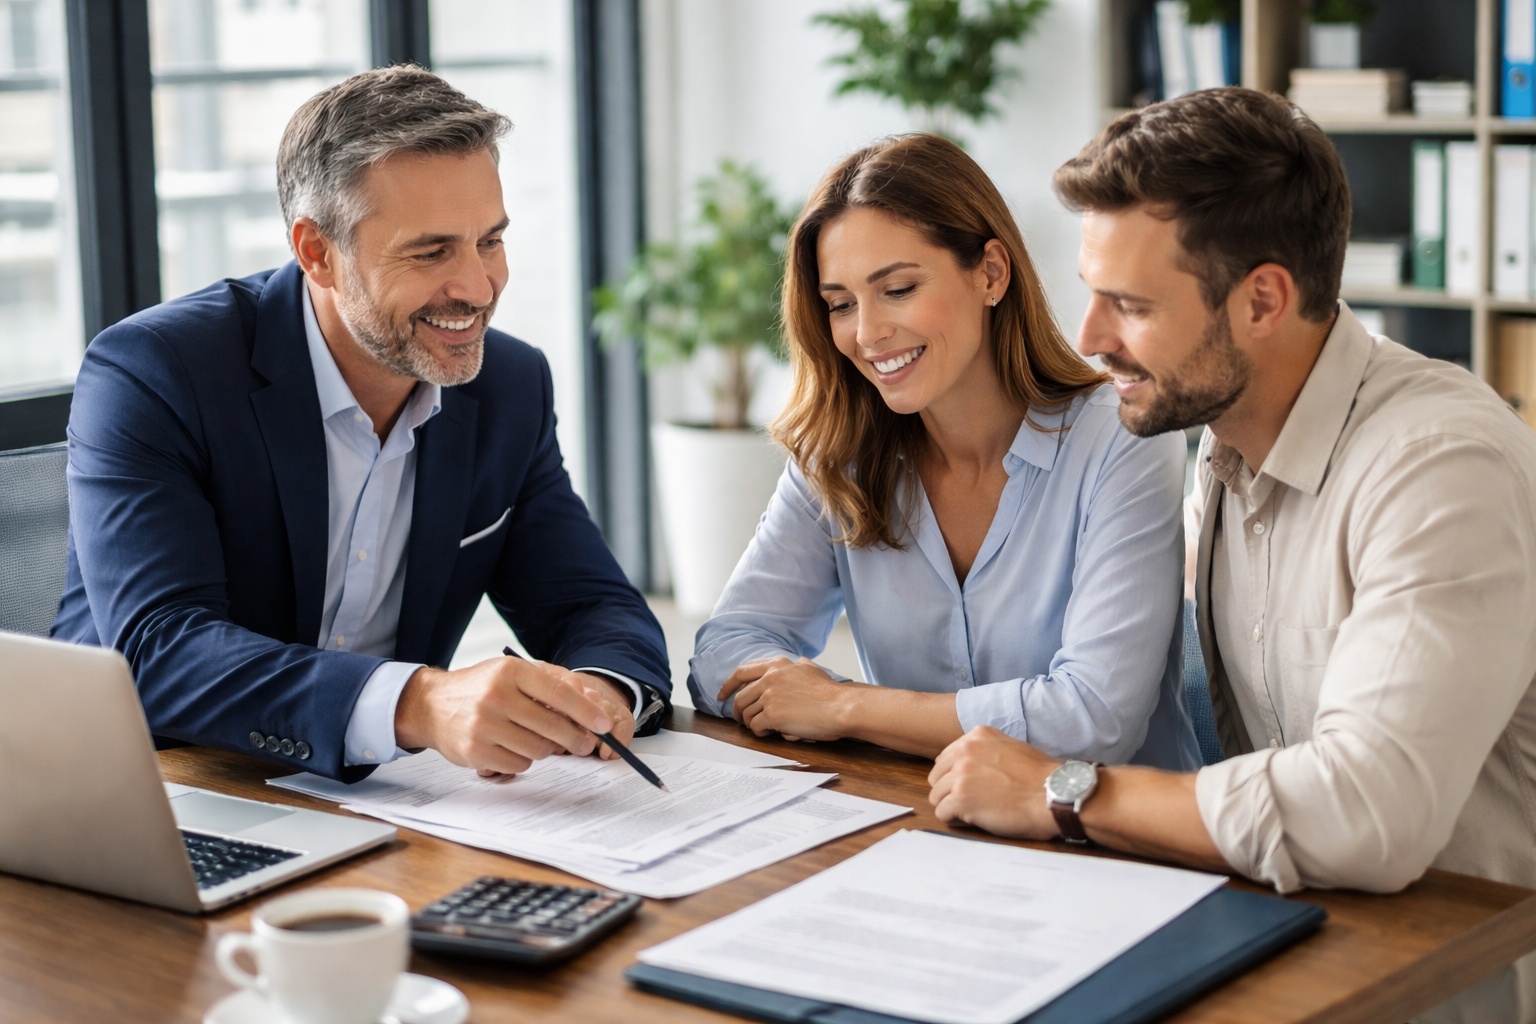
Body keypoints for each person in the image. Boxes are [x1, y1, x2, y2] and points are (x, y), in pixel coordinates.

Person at [927, 87, 1536, 1023]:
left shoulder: (1440, 466)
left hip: (1458, 988)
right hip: (1300, 947)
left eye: (1128, 305)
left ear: (1262, 299)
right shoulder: (1223, 438)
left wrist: (1061, 791)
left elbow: (1370, 813)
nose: (1091, 343)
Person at [54, 66, 671, 784]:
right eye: (431, 251)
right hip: (157, 787)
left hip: (378, 799)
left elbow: (590, 603)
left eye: (490, 241)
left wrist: (597, 693)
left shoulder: (509, 385)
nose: (476, 288)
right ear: (318, 252)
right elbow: (159, 652)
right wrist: (417, 702)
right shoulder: (157, 371)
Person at [687, 134, 1200, 770]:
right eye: (840, 304)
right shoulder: (838, 453)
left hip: (1110, 847)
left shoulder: (1121, 439)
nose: (867, 333)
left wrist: (844, 707)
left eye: (897, 289)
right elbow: (719, 652)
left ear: (990, 273)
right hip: (920, 825)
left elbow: (1091, 722)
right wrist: (793, 691)